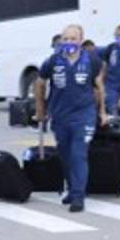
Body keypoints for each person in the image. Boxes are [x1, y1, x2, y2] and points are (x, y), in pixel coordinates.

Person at [34, 24, 109, 213]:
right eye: (65, 39)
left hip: (84, 115)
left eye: (73, 39)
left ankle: (78, 196)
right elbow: (40, 84)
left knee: (78, 154)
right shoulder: (53, 61)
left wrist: (102, 112)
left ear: (81, 40)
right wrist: (40, 110)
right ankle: (72, 187)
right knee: (65, 155)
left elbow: (99, 87)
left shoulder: (92, 60)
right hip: (60, 116)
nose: (69, 42)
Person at [100, 24, 120, 116]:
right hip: (112, 86)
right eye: (118, 36)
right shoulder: (110, 48)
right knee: (113, 109)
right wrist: (101, 88)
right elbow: (103, 68)